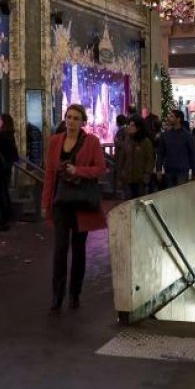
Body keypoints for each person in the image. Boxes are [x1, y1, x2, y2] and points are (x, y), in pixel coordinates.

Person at [41, 104, 107, 311]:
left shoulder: (92, 142)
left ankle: (74, 294)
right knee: (60, 249)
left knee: (79, 250)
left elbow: (100, 168)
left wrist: (77, 170)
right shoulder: (55, 141)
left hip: (82, 201)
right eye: (68, 117)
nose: (71, 121)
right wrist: (45, 203)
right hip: (61, 201)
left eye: (76, 118)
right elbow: (50, 175)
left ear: (82, 122)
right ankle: (57, 295)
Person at [156, 110, 195, 187]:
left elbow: (192, 153)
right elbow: (160, 153)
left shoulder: (187, 135)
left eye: (171, 116)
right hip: (169, 170)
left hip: (182, 171)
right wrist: (158, 169)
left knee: (181, 194)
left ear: (178, 119)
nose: (168, 117)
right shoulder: (165, 135)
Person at [119, 117, 155, 199]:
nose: (129, 127)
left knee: (138, 201)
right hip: (128, 178)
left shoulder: (146, 141)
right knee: (128, 201)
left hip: (140, 179)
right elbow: (122, 158)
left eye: (132, 126)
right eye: (129, 125)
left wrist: (147, 174)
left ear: (138, 127)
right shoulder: (127, 141)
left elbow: (150, 159)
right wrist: (121, 172)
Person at [0, 115, 20, 232]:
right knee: (4, 191)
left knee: (2, 193)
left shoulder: (2, 136)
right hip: (6, 167)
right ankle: (5, 218)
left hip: (1, 168)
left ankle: (4, 219)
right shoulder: (9, 135)